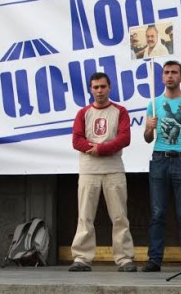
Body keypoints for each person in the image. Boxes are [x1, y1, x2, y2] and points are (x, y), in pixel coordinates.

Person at [68, 72, 136, 272]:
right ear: (90, 89)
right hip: (89, 170)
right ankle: (81, 258)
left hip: (113, 169)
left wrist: (101, 149)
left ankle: (124, 258)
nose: (99, 91)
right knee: (85, 215)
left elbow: (124, 138)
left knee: (119, 216)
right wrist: (96, 148)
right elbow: (76, 140)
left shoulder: (120, 112)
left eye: (103, 87)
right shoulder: (83, 113)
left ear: (110, 87)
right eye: (95, 87)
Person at [142, 60, 181, 272]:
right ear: (162, 77)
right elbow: (148, 138)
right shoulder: (154, 104)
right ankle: (154, 259)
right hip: (160, 158)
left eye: (174, 72)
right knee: (157, 212)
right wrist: (149, 128)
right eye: (166, 72)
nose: (169, 76)